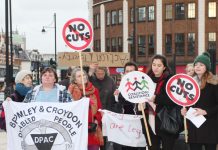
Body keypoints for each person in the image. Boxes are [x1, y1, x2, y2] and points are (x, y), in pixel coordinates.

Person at [140, 54, 179, 150]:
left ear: (164, 67)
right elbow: (139, 97)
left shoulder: (170, 80)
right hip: (149, 119)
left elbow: (174, 99)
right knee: (152, 147)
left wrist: (156, 99)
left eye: (159, 65)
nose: (156, 68)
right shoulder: (145, 79)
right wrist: (140, 104)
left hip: (165, 120)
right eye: (154, 64)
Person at [181, 52, 218, 150]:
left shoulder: (214, 83)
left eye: (201, 65)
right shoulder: (190, 83)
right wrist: (185, 110)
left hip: (210, 126)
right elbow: (188, 102)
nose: (197, 67)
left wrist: (206, 111)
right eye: (196, 65)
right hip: (194, 126)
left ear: (207, 67)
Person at [68, 67, 103, 150]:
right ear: (75, 80)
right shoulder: (70, 91)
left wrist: (96, 119)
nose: (83, 77)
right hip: (77, 127)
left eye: (84, 75)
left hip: (92, 127)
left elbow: (99, 108)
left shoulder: (94, 90)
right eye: (79, 76)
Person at [113, 62, 144, 150]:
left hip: (137, 123)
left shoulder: (142, 85)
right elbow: (119, 102)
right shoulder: (121, 86)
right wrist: (117, 96)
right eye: (127, 71)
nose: (129, 73)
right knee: (125, 146)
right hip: (124, 124)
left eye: (131, 71)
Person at [88, 65, 117, 150]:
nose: (100, 75)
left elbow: (114, 97)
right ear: (95, 73)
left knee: (106, 138)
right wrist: (90, 71)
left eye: (102, 73)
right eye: (98, 73)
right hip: (95, 114)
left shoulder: (110, 81)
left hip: (107, 113)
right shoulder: (91, 80)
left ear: (105, 72)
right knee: (96, 136)